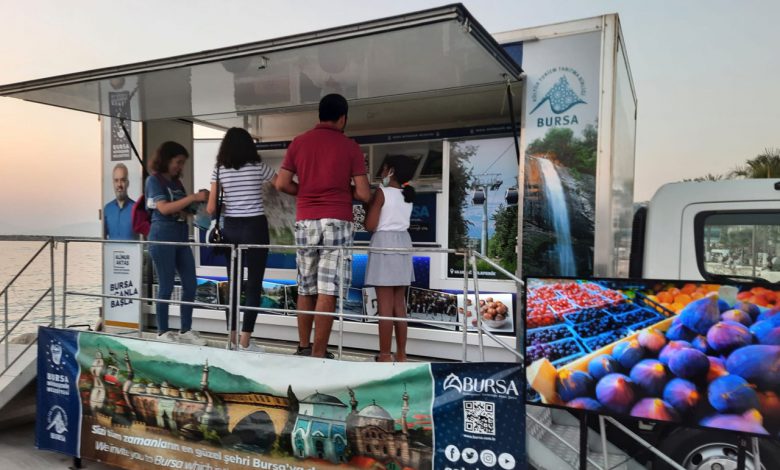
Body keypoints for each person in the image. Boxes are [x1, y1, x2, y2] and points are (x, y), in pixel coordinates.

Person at [275, 94, 371, 358]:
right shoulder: (350, 147)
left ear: (319, 115)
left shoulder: (299, 143)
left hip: (306, 220)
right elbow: (363, 193)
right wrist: (342, 190)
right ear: (343, 118)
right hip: (337, 221)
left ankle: (303, 347)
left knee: (306, 285)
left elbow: (281, 184)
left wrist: (305, 191)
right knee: (328, 287)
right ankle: (319, 353)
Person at [207, 127, 276, 352]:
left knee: (233, 283)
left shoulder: (219, 170)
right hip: (255, 227)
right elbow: (281, 183)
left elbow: (210, 208)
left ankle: (232, 338)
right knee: (254, 284)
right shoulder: (258, 167)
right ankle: (246, 342)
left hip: (232, 229)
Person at [145, 141, 209, 345]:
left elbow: (181, 208)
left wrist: (197, 203)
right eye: (178, 162)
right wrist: (192, 197)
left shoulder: (176, 183)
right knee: (166, 285)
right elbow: (163, 208)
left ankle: (185, 329)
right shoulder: (153, 181)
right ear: (166, 159)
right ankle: (163, 331)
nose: (180, 167)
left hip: (181, 237)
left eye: (182, 164)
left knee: (190, 283)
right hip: (162, 237)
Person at [363, 155, 416, 362]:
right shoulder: (408, 194)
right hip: (403, 244)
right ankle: (401, 354)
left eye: (384, 169)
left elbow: (370, 225)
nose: (382, 174)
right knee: (398, 305)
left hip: (384, 244)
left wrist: (367, 204)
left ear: (391, 170)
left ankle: (384, 355)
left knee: (384, 306)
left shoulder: (381, 193)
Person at [104, 163, 137, 240]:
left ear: (127, 183)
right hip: (112, 251)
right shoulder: (107, 209)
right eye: (116, 180)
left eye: (122, 180)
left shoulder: (136, 209)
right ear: (113, 183)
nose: (119, 184)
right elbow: (104, 239)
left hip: (132, 252)